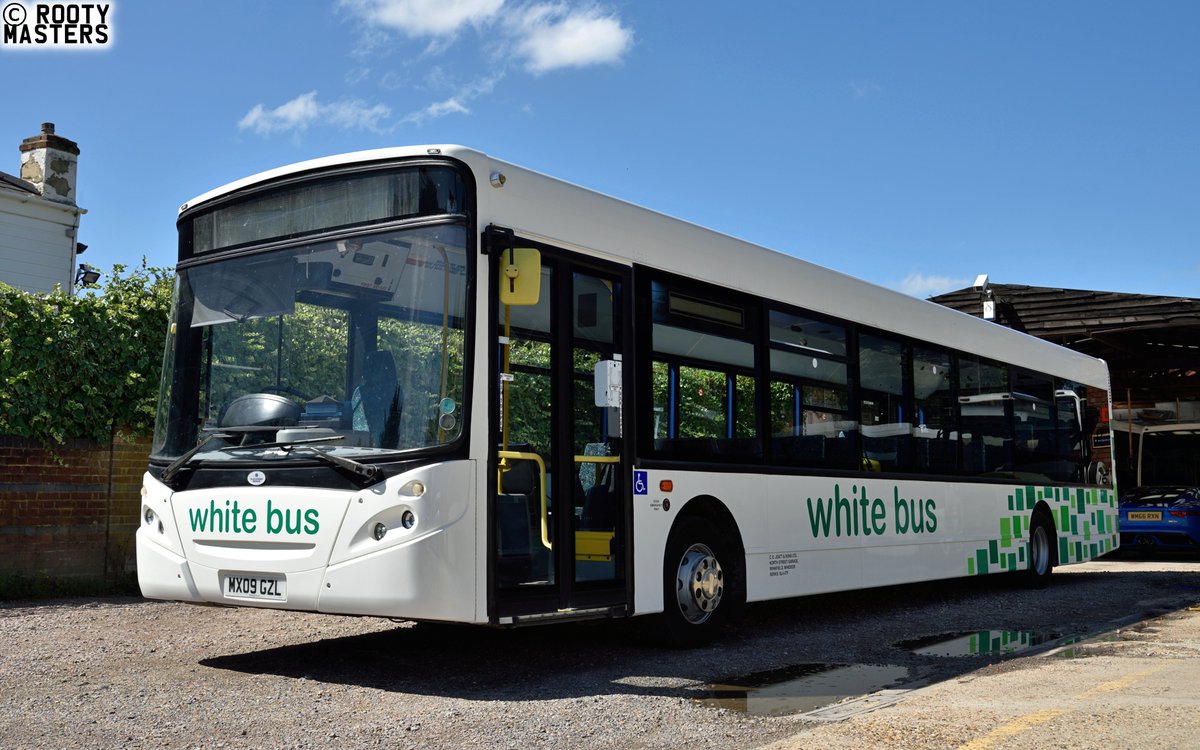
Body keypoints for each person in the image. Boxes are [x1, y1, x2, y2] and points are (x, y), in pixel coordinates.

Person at [351, 350, 401, 447]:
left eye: (375, 368)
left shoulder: (396, 391)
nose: (370, 372)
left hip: (391, 450)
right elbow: (358, 431)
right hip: (363, 449)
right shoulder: (360, 393)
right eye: (369, 368)